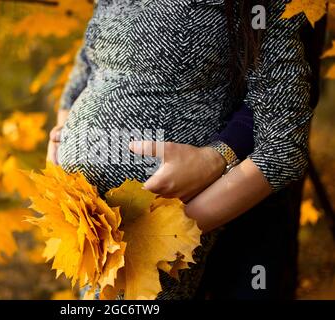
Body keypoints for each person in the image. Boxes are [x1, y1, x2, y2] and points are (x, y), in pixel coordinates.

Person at [47, 0, 314, 299]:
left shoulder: (253, 7)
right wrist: (60, 139)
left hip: (150, 238)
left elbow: (283, 145)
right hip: (80, 222)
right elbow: (87, 67)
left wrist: (165, 233)